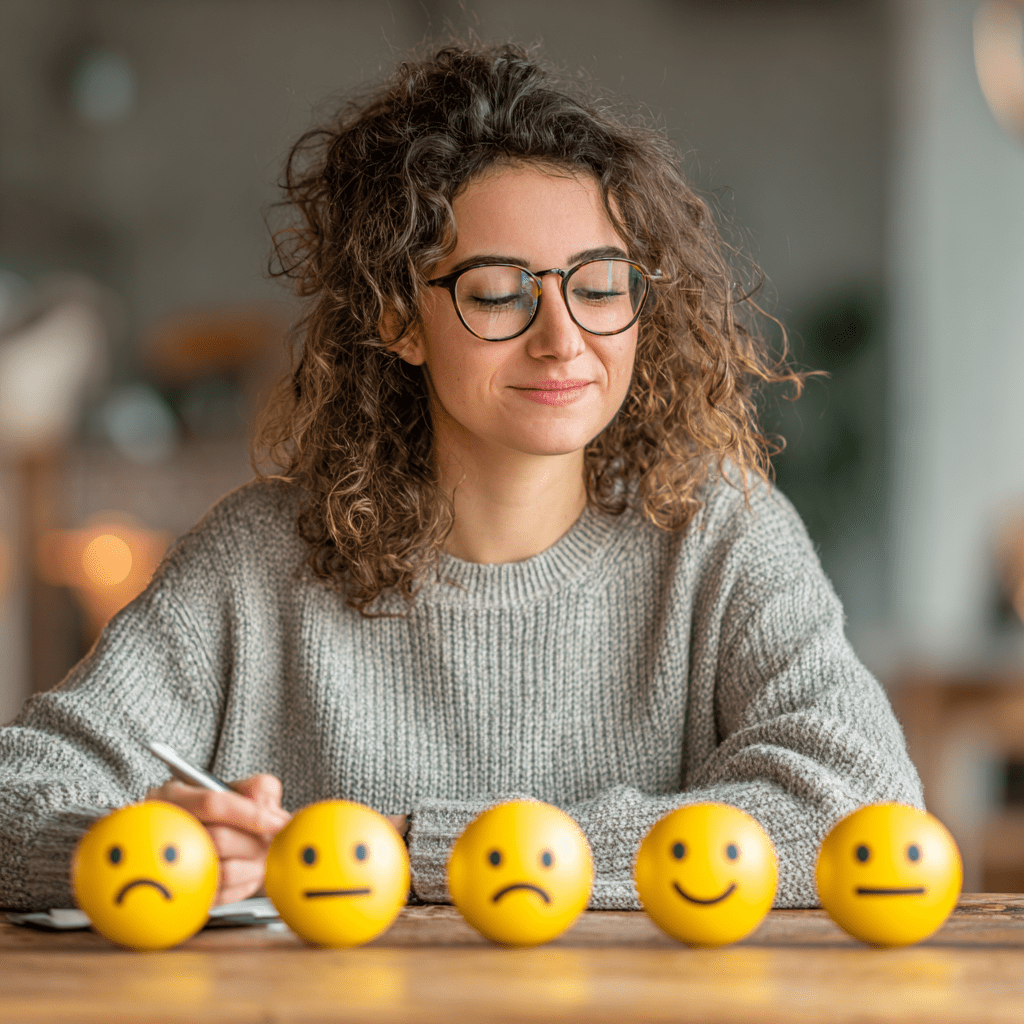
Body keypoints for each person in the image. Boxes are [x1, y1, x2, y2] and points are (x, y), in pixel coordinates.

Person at [0, 43, 922, 913]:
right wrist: (159, 850)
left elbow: (858, 807)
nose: (563, 338)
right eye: (497, 292)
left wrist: (397, 850)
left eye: (599, 286)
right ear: (400, 318)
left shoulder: (718, 534)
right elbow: (20, 794)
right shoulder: (255, 562)